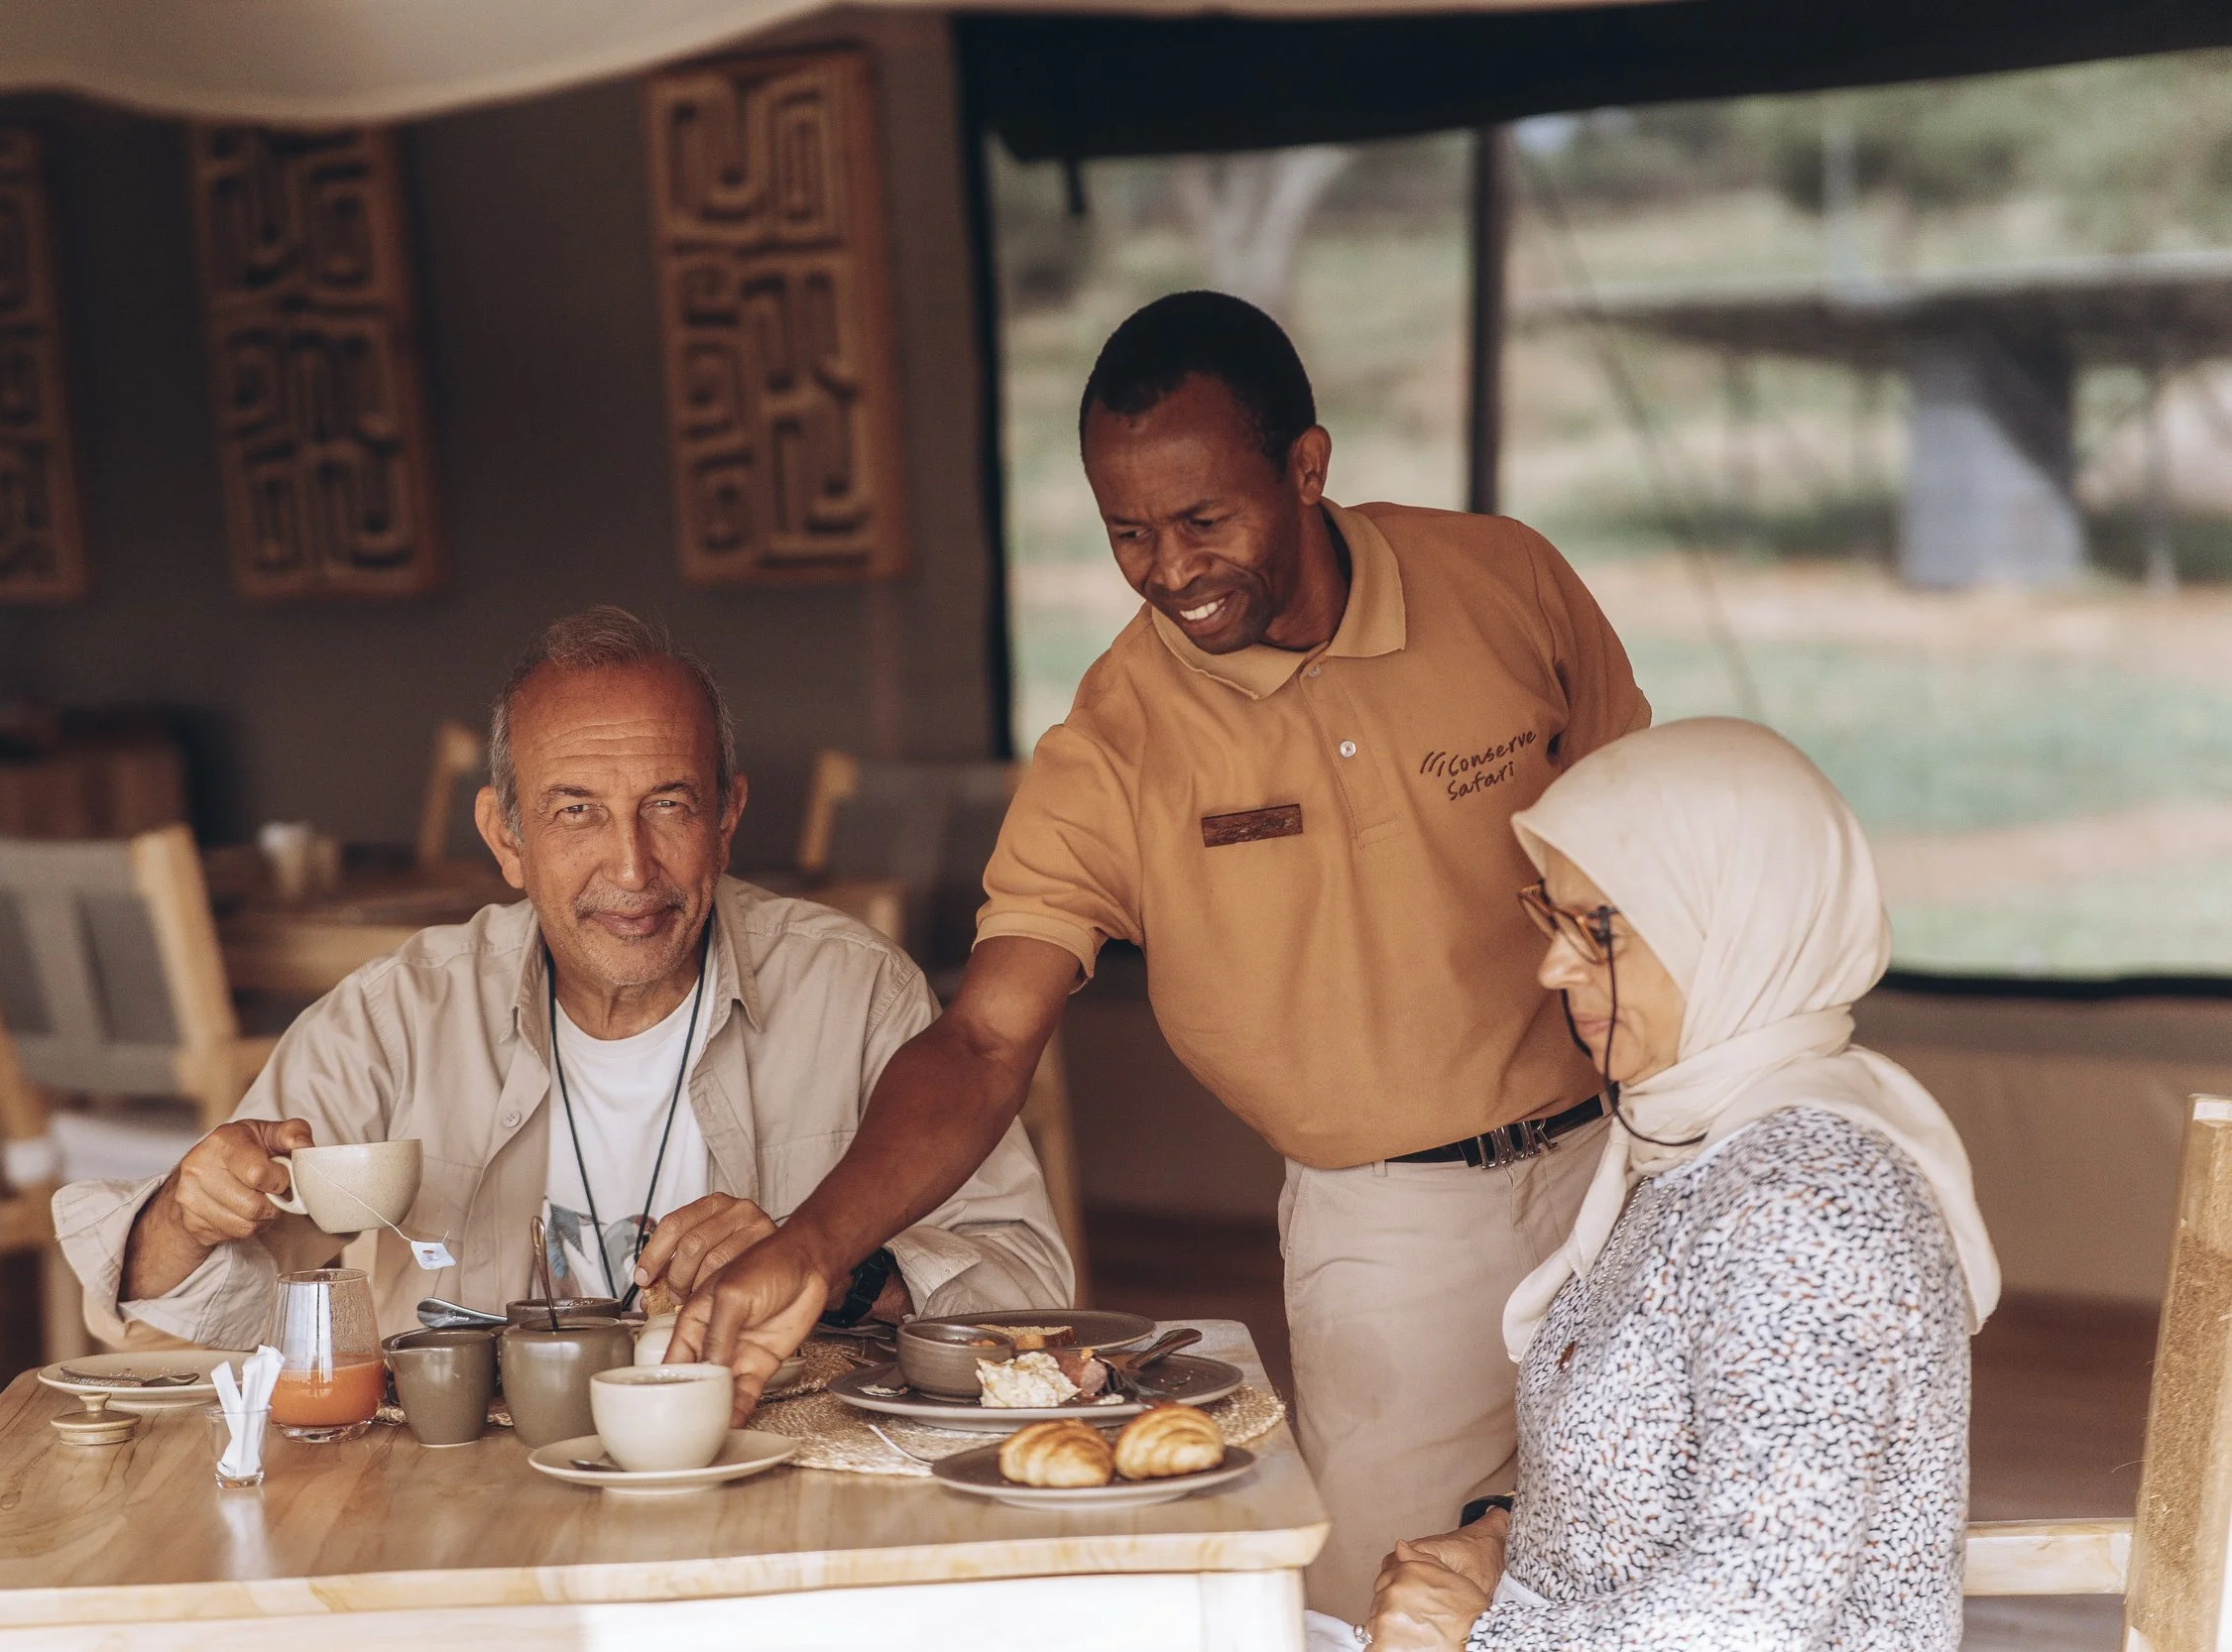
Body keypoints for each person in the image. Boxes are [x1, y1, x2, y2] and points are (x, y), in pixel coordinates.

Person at [662, 290, 1652, 1609]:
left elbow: (1649, 850)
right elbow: (986, 1033)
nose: (1170, 569)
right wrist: (813, 1242)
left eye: (1202, 520)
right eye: (1128, 533)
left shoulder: (1504, 581)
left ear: (1307, 466)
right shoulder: (1116, 743)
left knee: (1654, 1557)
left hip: (1627, 1161)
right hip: (1390, 1223)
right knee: (1403, 1602)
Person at [53, 608, 1071, 1354]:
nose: (631, 868)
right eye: (575, 811)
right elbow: (172, 1309)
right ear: (506, 837)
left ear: (725, 817)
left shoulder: (853, 996)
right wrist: (186, 1211)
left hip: (772, 1469)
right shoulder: (400, 1015)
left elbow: (1030, 1286)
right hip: (469, 1498)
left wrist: (838, 1268)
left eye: (669, 804)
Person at [1357, 718, 1998, 1652]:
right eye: (1553, 917)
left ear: (1735, 922)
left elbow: (1762, 1609)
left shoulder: (1814, 1206)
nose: (1551, 966)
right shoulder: (1688, 1140)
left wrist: (1485, 1641)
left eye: (1597, 930)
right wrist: (1504, 1541)